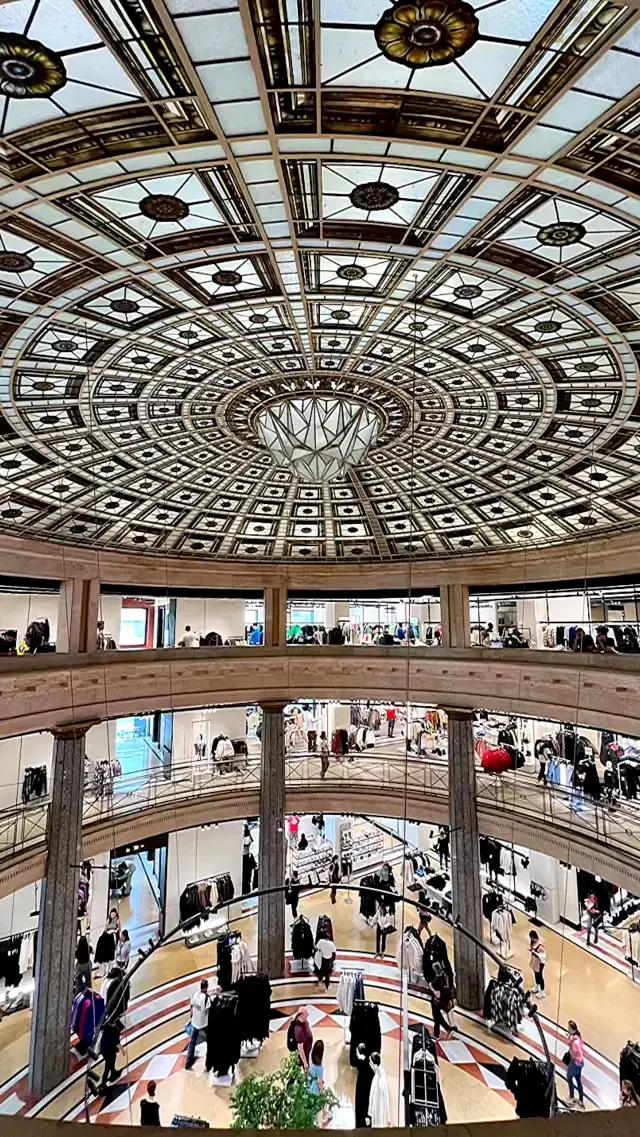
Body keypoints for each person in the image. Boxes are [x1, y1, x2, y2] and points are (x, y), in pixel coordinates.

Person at [185, 978, 210, 1070]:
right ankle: (208, 1064)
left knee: (192, 1041)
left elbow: (191, 1006)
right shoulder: (206, 998)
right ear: (206, 987)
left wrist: (191, 1016)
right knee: (209, 1042)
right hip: (204, 1024)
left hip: (195, 1022)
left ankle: (188, 1062)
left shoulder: (195, 995)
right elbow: (208, 1011)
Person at [429, 964, 454, 1039]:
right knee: (438, 1017)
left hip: (437, 1002)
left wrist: (431, 988)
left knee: (436, 1018)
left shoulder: (436, 981)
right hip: (444, 1000)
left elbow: (437, 994)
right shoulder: (444, 978)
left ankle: (437, 1034)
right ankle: (447, 1029)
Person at [98, 1020, 122, 1093]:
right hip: (110, 1051)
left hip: (105, 1049)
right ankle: (103, 1085)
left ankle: (113, 1073)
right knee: (107, 1067)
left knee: (110, 1064)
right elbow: (117, 1043)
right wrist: (123, 1050)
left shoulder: (106, 1025)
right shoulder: (114, 1030)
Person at [566, 1021, 585, 1108]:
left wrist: (570, 1045)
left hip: (576, 1062)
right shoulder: (577, 1037)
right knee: (578, 1080)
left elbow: (575, 1053)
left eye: (569, 1028)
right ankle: (581, 1100)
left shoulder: (575, 1042)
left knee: (569, 1077)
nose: (568, 1029)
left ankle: (571, 1096)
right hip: (580, 1063)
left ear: (573, 1030)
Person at [529, 930, 546, 997]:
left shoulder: (540, 946)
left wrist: (534, 952)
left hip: (540, 963)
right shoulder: (533, 942)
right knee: (536, 974)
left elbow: (543, 957)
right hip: (535, 961)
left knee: (540, 976)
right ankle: (537, 986)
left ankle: (542, 991)